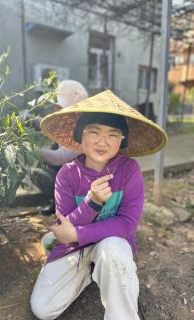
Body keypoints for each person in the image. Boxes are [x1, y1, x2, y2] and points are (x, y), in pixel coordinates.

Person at [30, 90, 168, 319]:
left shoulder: (128, 171)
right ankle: (89, 272)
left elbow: (126, 224)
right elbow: (64, 228)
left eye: (113, 135)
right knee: (43, 309)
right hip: (76, 247)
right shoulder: (66, 175)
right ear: (80, 135)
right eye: (94, 132)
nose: (103, 142)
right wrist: (91, 203)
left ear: (122, 139)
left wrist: (75, 232)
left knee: (112, 249)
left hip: (112, 245)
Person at [33, 80, 89, 215]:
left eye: (60, 107)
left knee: (41, 174)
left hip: (83, 182)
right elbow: (49, 126)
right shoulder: (68, 122)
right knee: (48, 166)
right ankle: (58, 202)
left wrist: (30, 149)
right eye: (56, 106)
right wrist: (31, 121)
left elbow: (58, 158)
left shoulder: (84, 132)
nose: (56, 110)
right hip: (71, 175)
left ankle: (71, 206)